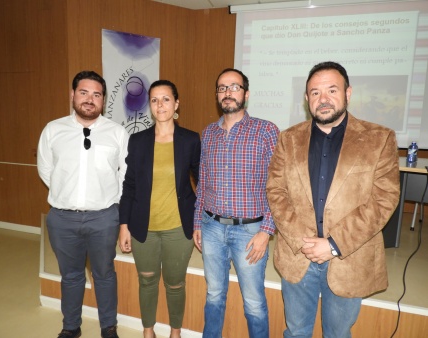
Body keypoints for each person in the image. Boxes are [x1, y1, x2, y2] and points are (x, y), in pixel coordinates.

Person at [266, 61, 400, 338]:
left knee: (337, 334)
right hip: (298, 255)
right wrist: (305, 242)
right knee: (296, 331)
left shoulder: (379, 138)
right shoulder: (288, 139)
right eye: (315, 93)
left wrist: (333, 245)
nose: (323, 99)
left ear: (348, 94)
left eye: (331, 90)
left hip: (348, 259)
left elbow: (383, 199)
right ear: (306, 99)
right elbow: (276, 192)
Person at [37, 70, 129, 338]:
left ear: (103, 100)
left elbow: (125, 175)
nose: (90, 99)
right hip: (62, 219)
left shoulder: (117, 133)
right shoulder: (54, 129)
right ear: (72, 95)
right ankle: (71, 326)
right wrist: (67, 194)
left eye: (96, 94)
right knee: (71, 276)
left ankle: (108, 326)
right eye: (84, 92)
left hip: (104, 218)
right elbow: (46, 169)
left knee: (104, 274)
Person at [193, 68, 280, 338]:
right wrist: (198, 222)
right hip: (211, 227)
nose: (227, 92)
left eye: (234, 87)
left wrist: (267, 231)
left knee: (253, 302)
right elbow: (203, 182)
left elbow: (279, 185)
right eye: (222, 88)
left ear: (246, 93)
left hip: (250, 232)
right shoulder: (208, 134)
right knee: (214, 295)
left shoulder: (266, 131)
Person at [118, 80, 200, 338]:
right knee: (147, 281)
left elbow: (202, 182)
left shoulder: (190, 140)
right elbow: (129, 186)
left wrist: (201, 222)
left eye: (166, 99)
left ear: (176, 104)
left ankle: (175, 332)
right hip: (144, 228)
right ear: (149, 105)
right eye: (154, 100)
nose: (160, 104)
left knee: (175, 284)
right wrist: (123, 226)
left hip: (179, 227)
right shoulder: (138, 140)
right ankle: (148, 331)